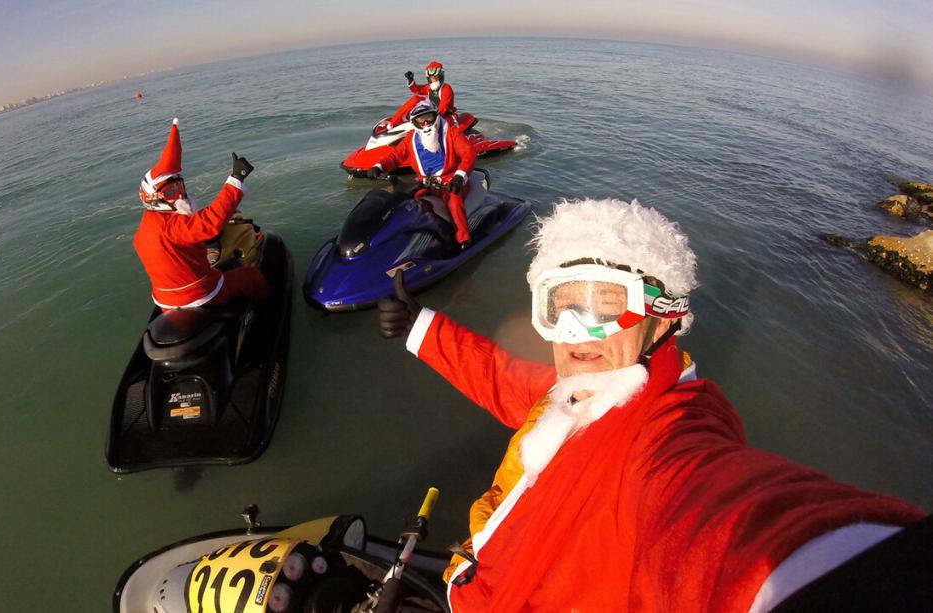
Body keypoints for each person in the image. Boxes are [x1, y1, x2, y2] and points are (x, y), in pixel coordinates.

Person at [377, 198, 927, 612]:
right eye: (560, 304)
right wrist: (421, 329)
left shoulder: (666, 440)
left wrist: (853, 569)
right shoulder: (572, 392)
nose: (574, 330)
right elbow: (502, 378)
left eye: (604, 303)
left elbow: (726, 519)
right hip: (477, 581)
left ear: (662, 318)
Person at [133, 118, 268, 310]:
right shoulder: (173, 226)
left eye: (180, 187)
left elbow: (184, 237)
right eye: (172, 192)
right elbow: (210, 224)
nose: (180, 195)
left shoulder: (146, 227)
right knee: (250, 277)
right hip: (200, 294)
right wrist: (236, 179)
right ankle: (267, 309)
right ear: (156, 198)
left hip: (165, 301)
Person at [368, 101, 477, 248]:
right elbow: (395, 155)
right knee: (405, 202)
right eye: (420, 119)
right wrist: (379, 166)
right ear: (415, 122)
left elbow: (468, 153)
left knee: (454, 201)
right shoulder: (411, 138)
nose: (426, 123)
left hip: (450, 182)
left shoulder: (450, 131)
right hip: (425, 182)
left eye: (429, 118)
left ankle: (463, 239)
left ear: (435, 116)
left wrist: (460, 176)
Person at [389, 60, 457, 127]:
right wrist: (410, 80)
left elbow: (443, 108)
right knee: (415, 99)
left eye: (436, 77)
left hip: (446, 116)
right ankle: (394, 121)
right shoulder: (429, 87)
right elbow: (417, 90)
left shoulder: (446, 88)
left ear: (440, 76)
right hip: (433, 113)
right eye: (431, 78)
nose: (433, 79)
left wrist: (429, 119)